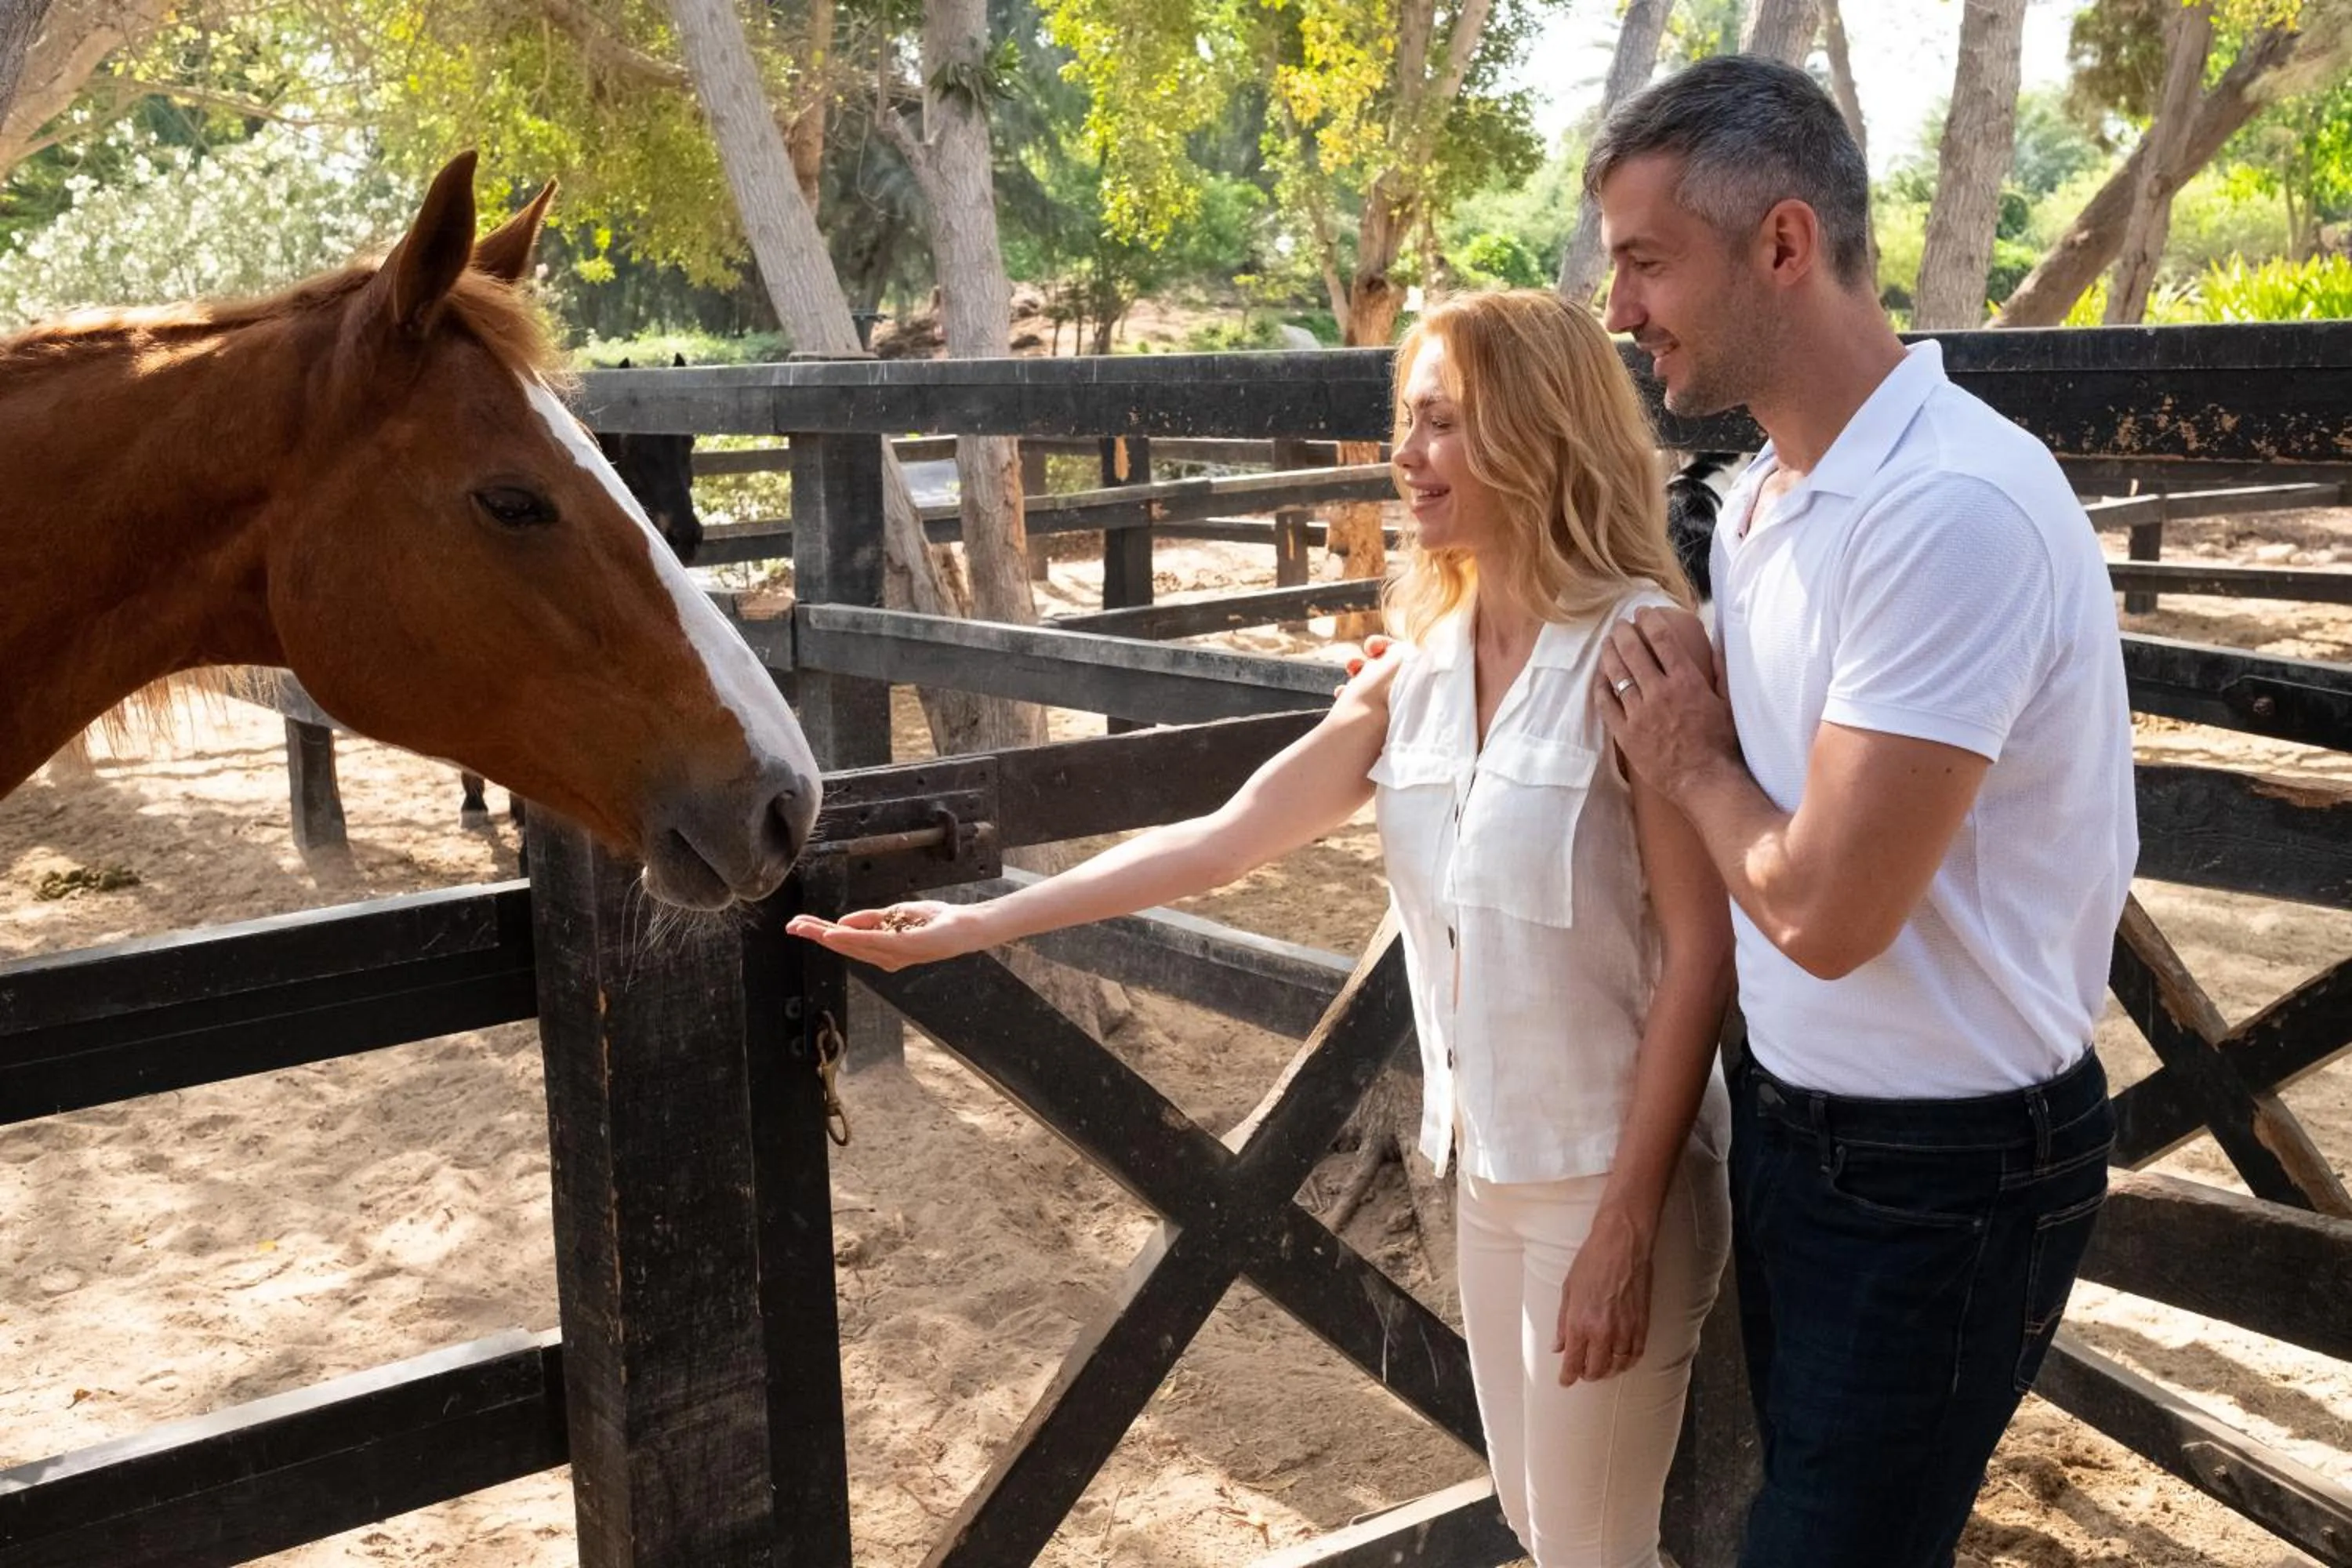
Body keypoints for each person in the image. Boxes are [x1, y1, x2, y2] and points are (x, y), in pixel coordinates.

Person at [791, 289, 1736, 1568]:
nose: (1405, 457)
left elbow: (1699, 957)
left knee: (1592, 1545)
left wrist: (1627, 1219)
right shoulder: (1420, 667)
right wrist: (982, 920)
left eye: (1443, 423)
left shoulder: (1643, 650)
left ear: (1544, 432)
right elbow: (1225, 840)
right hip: (1490, 1176)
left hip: (1613, 1178)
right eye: (1407, 422)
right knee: (1536, 1518)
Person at [1582, 56, 2137, 1568]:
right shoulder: (1767, 503)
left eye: (1646, 262)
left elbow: (1825, 912)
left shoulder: (1948, 510)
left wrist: (1692, 756)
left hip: (1944, 1179)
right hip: (1803, 1129)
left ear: (1781, 244)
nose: (1620, 310)